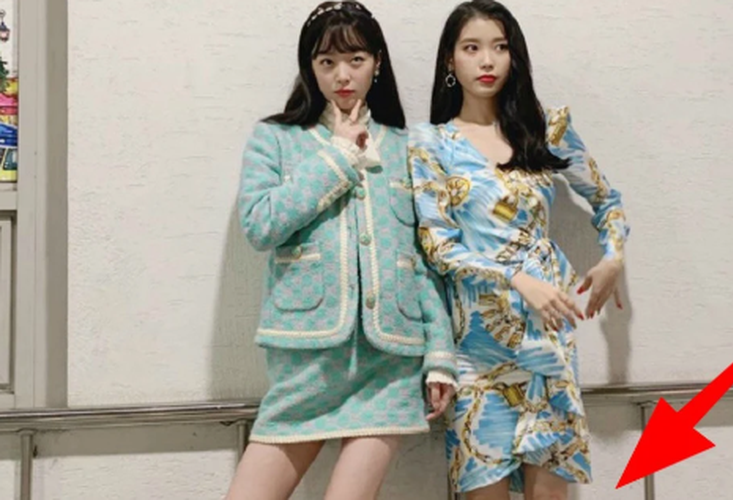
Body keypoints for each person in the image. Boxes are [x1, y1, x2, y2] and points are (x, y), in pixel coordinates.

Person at [225, 2, 458, 499]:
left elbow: (422, 260)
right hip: (305, 362)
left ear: (377, 62)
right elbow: (260, 226)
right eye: (326, 62)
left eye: (355, 59)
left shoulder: (406, 146)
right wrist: (339, 155)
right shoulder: (276, 138)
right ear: (309, 67)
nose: (342, 75)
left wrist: (440, 355)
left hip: (388, 363)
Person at [408, 1, 630, 499]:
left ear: (514, 56)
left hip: (546, 341)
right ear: (450, 60)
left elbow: (607, 200)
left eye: (500, 47)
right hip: (476, 350)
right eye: (472, 48)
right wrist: (514, 277)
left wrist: (612, 257)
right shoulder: (431, 143)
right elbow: (437, 245)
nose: (487, 60)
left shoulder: (545, 128)